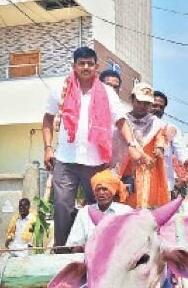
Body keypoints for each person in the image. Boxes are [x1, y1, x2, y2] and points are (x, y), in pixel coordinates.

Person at [42, 47, 149, 250]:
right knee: (62, 206)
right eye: (81, 63)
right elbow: (47, 119)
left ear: (96, 67)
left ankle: (100, 251)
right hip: (66, 160)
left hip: (96, 163)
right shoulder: (60, 89)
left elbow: (120, 121)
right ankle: (63, 253)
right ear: (74, 66)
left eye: (90, 63)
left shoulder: (107, 93)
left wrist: (132, 146)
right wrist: (48, 148)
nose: (85, 67)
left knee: (99, 210)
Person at [112, 83, 170, 208]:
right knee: (121, 204)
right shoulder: (122, 120)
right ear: (132, 99)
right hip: (122, 169)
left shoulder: (157, 124)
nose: (143, 106)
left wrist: (159, 148)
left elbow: (161, 137)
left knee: (144, 206)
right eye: (139, 101)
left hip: (146, 171)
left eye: (147, 103)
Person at [66, 170, 132, 252]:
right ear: (94, 192)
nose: (101, 193)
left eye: (105, 189)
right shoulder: (85, 212)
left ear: (113, 191)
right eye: (98, 189)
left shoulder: (125, 211)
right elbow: (75, 244)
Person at [150, 90, 188, 194]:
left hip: (163, 185)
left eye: (161, 107)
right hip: (139, 183)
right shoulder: (136, 126)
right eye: (154, 106)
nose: (158, 109)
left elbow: (181, 150)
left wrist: (187, 161)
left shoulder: (170, 128)